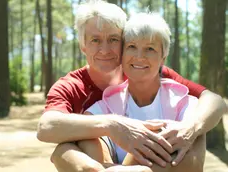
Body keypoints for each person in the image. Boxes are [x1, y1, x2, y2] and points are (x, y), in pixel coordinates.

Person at [36, 1, 227, 172]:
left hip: (135, 159)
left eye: (113, 39)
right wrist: (112, 125)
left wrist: (191, 128)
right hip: (97, 153)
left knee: (191, 135)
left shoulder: (143, 70)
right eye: (95, 40)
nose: (104, 50)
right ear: (83, 45)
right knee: (65, 150)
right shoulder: (71, 86)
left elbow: (213, 100)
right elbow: (46, 127)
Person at [81, 12, 203, 172]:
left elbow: (191, 165)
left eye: (150, 49)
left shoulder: (186, 105)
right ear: (122, 54)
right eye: (132, 47)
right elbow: (92, 161)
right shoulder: (102, 108)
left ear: (163, 57)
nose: (139, 57)